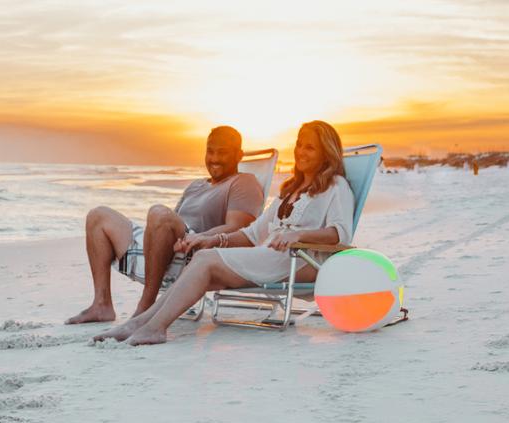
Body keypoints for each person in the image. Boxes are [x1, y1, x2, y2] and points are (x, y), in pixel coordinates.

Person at [94, 120, 355, 345]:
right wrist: (212, 239)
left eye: (309, 147)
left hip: (302, 260)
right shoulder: (290, 190)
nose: (300, 151)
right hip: (272, 257)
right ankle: (143, 322)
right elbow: (252, 234)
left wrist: (298, 236)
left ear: (326, 153)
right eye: (299, 144)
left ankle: (154, 327)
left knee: (206, 261)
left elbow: (340, 234)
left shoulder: (335, 186)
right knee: (204, 263)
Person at [66, 126, 264, 324]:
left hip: (196, 252)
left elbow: (238, 229)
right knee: (98, 216)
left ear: (239, 155)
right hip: (168, 250)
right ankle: (102, 305)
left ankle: (146, 307)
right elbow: (173, 220)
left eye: (222, 153)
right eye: (210, 151)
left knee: (159, 212)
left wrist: (199, 238)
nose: (214, 159)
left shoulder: (244, 183)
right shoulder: (196, 185)